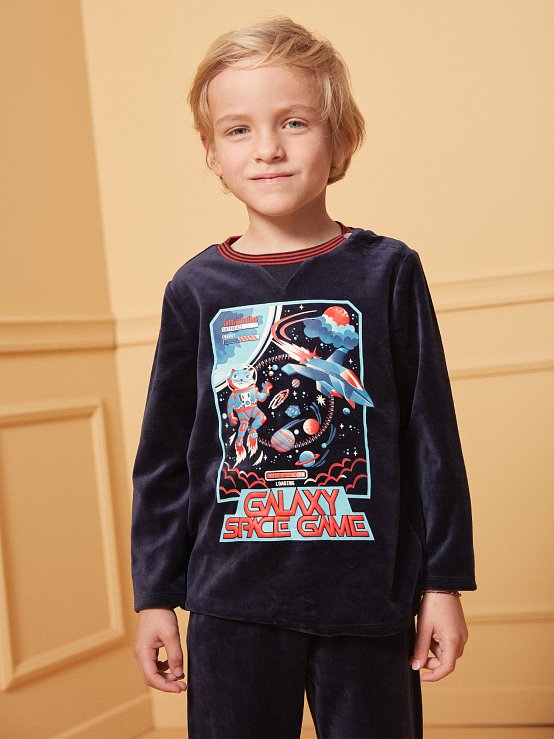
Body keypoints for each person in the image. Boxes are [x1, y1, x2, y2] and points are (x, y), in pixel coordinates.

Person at [131, 16, 476, 739]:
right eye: (238, 130)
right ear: (211, 153)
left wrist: (442, 582)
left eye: (294, 122)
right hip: (230, 603)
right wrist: (155, 593)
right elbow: (163, 458)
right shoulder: (195, 289)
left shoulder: (388, 272)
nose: (268, 149)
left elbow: (430, 439)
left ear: (341, 137)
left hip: (368, 598)